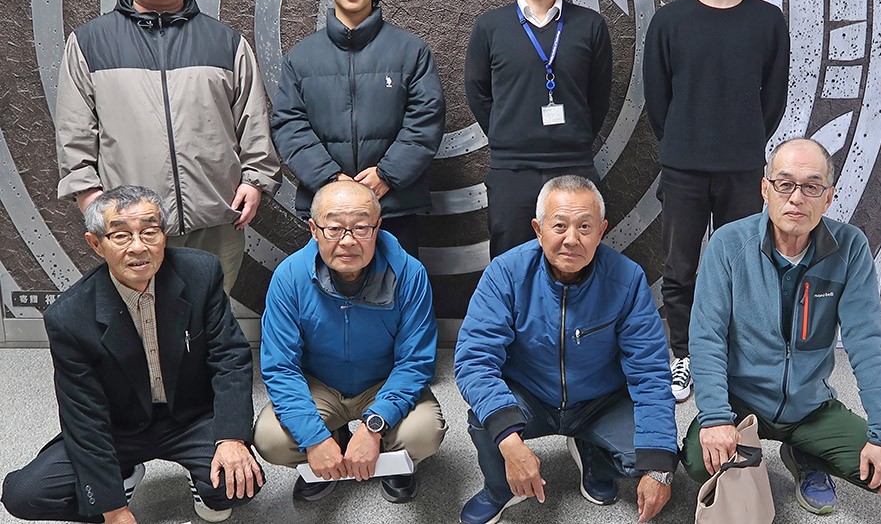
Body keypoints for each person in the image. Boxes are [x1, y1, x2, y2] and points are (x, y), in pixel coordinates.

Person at [1, 186, 263, 523]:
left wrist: (231, 438)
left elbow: (230, 358)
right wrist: (113, 509)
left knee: (240, 484)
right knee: (26, 496)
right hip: (118, 427)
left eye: (149, 232)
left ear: (164, 235)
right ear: (96, 244)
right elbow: (84, 415)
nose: (138, 247)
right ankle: (123, 475)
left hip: (192, 416)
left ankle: (201, 476)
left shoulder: (201, 272)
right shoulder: (69, 316)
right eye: (121, 235)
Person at [682, 138, 881, 515]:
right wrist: (717, 418)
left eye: (811, 187)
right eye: (785, 184)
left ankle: (805, 452)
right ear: (765, 189)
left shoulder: (850, 248)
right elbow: (707, 338)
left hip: (810, 406)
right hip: (743, 402)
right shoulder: (728, 244)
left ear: (828, 197)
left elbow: (866, 343)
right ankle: (751, 448)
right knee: (697, 461)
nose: (796, 198)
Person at [55, 0, 281, 294]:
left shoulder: (226, 42)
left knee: (209, 316)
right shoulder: (90, 43)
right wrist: (89, 196)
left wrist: (255, 181)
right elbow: (74, 129)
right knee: (138, 318)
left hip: (216, 218)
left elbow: (252, 120)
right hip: (131, 225)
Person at [455, 176, 677, 524]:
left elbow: (650, 372)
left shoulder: (627, 279)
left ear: (601, 231)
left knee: (655, 455)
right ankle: (498, 490)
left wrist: (660, 471)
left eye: (585, 227)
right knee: (488, 422)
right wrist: (510, 442)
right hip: (531, 395)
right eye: (559, 225)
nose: (572, 239)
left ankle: (593, 455)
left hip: (599, 402)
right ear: (538, 229)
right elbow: (474, 360)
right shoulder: (505, 273)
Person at [643, 0, 790, 402]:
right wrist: (681, 143)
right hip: (683, 167)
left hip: (742, 168)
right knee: (679, 268)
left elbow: (773, 98)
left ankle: (733, 355)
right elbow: (657, 100)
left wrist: (745, 141)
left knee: (743, 269)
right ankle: (683, 354)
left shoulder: (767, 21)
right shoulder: (670, 21)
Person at [253, 180, 446, 504]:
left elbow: (416, 362)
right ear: (314, 230)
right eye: (334, 228)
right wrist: (314, 439)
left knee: (423, 433)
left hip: (382, 383)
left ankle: (391, 459)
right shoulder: (289, 277)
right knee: (270, 439)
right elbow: (280, 367)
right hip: (319, 385)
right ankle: (332, 439)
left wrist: (373, 427)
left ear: (377, 227)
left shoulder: (409, 273)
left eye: (361, 228)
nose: (347, 241)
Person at [272, 0, 446, 258]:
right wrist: (330, 180)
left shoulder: (411, 51)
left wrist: (386, 175)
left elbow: (426, 120)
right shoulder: (301, 57)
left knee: (398, 285)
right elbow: (288, 125)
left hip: (394, 204)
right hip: (327, 212)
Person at [465, 0, 613, 259]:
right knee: (510, 264)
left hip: (574, 165)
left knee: (576, 262)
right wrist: (508, 132)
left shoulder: (590, 25)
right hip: (511, 169)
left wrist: (572, 134)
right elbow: (477, 92)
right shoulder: (490, 27)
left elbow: (599, 97)